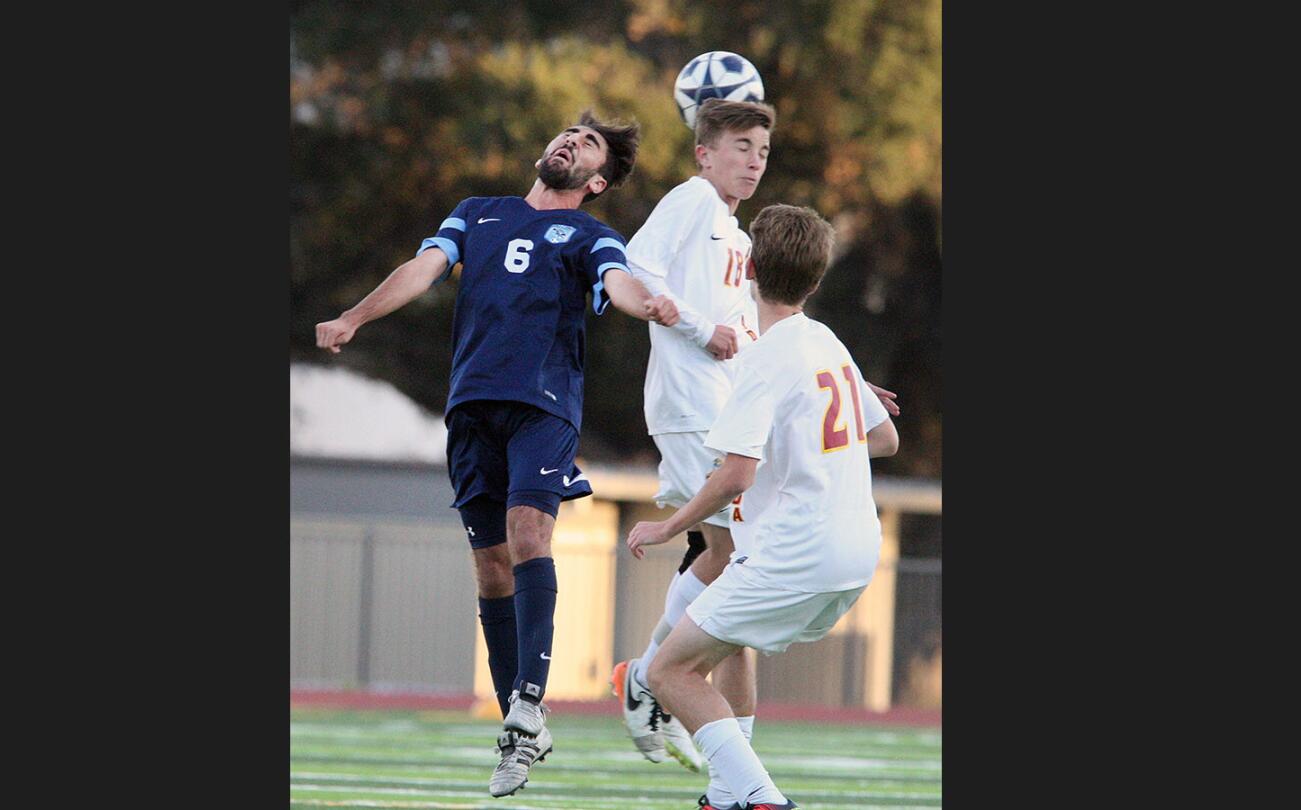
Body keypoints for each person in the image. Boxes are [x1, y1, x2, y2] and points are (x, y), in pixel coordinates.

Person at [316, 111, 678, 798]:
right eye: (568, 132)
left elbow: (618, 281)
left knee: (526, 535)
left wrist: (649, 304)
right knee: (489, 571)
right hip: (471, 407)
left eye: (588, 142)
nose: (570, 140)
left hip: (542, 405)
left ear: (597, 179)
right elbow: (422, 268)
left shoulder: (590, 234)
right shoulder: (477, 213)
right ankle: (522, 723)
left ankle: (528, 705)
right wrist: (353, 317)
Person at [612, 99, 899, 780]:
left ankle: (726, 767)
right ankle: (650, 676)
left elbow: (763, 339)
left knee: (738, 590)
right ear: (702, 152)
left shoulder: (739, 237)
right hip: (693, 408)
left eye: (763, 151)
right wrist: (688, 325)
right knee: (732, 558)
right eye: (740, 145)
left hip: (727, 409)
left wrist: (827, 389)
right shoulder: (690, 200)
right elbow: (633, 269)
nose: (753, 160)